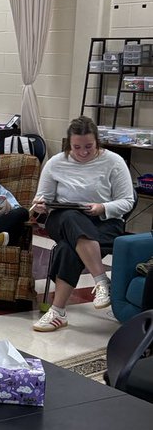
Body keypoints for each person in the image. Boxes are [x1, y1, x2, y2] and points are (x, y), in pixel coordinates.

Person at [30, 115, 133, 333]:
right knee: (70, 216)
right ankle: (102, 280)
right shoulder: (55, 163)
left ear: (97, 141)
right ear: (69, 143)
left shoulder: (114, 162)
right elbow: (43, 198)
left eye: (89, 146)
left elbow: (127, 201)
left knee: (69, 248)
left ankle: (57, 311)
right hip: (62, 219)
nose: (83, 152)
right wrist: (40, 206)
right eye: (77, 147)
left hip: (103, 221)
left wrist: (103, 208)